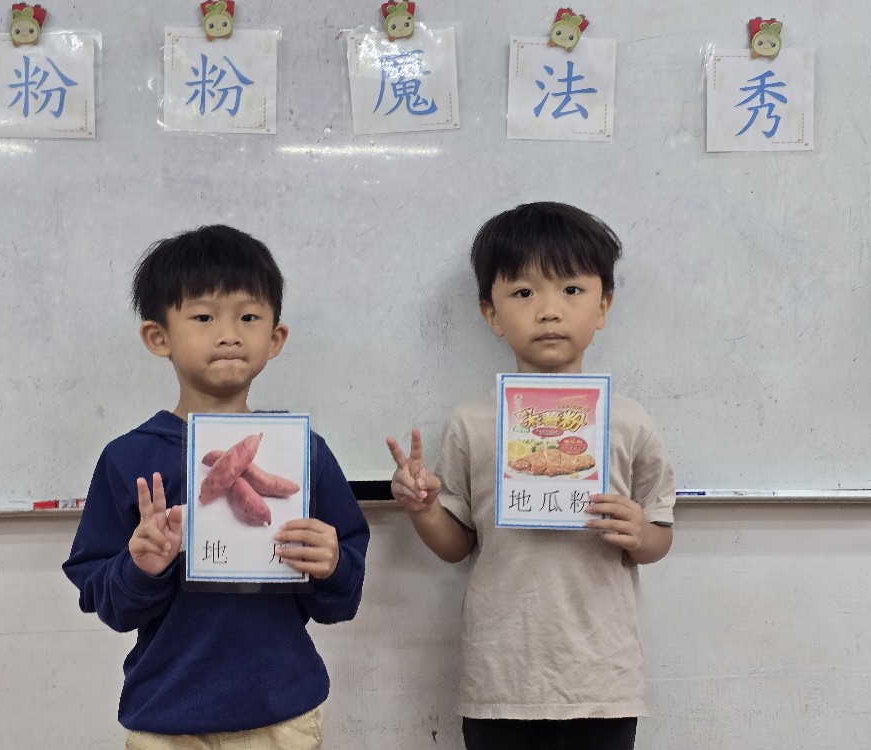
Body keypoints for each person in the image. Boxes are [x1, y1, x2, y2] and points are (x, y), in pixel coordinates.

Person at [64, 224, 369, 750]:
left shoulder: (303, 452)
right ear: (158, 337)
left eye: (248, 317)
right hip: (168, 714)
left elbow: (339, 602)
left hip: (282, 712)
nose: (229, 334)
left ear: (275, 338)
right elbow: (108, 602)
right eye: (203, 317)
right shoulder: (128, 458)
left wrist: (334, 562)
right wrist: (140, 568)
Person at [387, 202, 675, 750]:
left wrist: (640, 533)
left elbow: (659, 536)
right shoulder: (472, 421)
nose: (548, 311)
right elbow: (457, 546)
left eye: (572, 290)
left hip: (600, 679)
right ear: (491, 314)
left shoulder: (630, 421)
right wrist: (423, 509)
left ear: (604, 305)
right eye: (523, 292)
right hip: (500, 677)